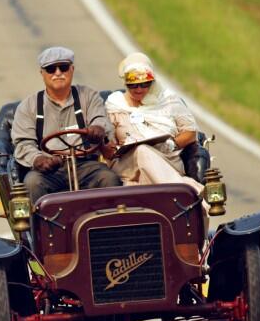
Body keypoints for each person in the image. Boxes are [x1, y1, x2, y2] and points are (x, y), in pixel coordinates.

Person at [12, 46, 121, 204]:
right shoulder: (28, 106)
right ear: (42, 73)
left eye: (63, 67)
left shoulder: (88, 96)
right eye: (50, 69)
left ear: (72, 69)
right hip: (49, 171)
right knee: (32, 183)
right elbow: (23, 143)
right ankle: (42, 228)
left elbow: (100, 119)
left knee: (109, 178)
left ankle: (108, 226)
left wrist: (98, 129)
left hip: (85, 165)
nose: (57, 73)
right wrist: (38, 159)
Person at [104, 52, 204, 196]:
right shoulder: (115, 104)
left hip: (166, 158)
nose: (139, 89)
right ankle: (186, 191)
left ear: (152, 82)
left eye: (144, 84)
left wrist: (172, 144)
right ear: (126, 84)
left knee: (145, 158)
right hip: (128, 164)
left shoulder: (169, 100)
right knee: (142, 150)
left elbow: (190, 133)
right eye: (134, 85)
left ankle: (173, 189)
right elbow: (107, 140)